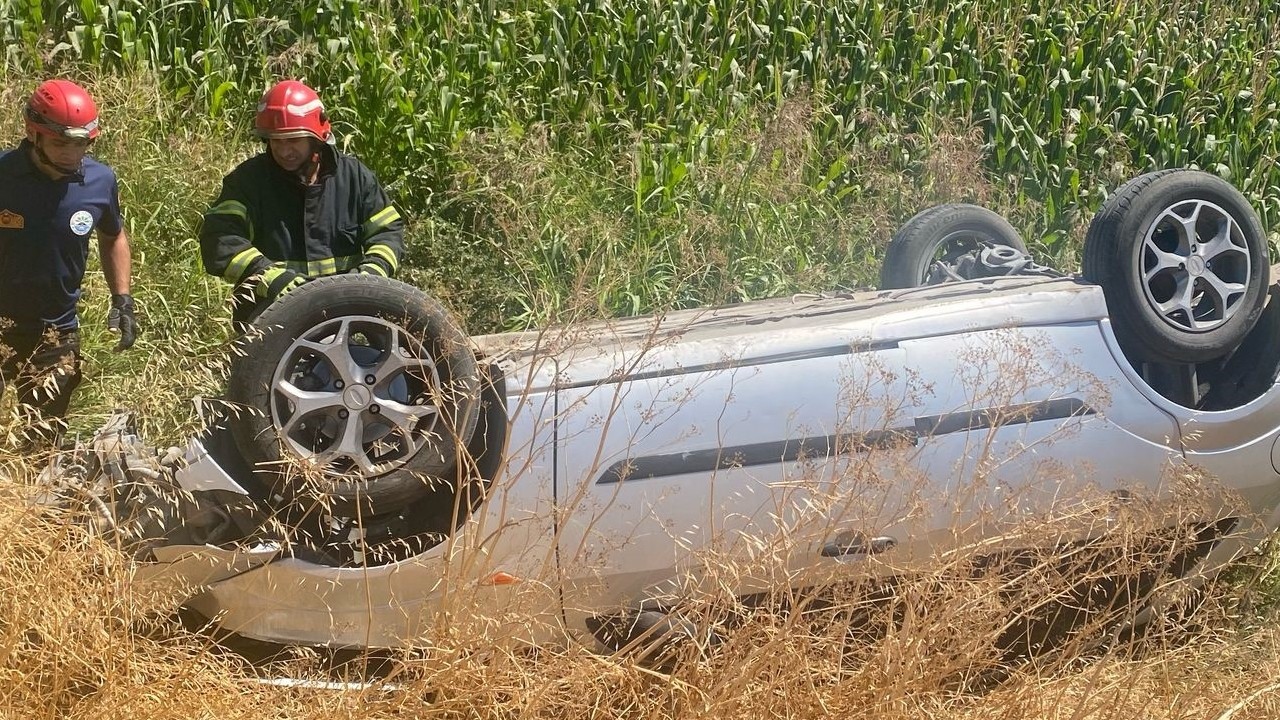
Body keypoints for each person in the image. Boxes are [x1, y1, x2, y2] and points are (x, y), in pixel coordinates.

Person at [199, 79, 405, 327]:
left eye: (293, 140)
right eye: (276, 141)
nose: (284, 151)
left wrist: (371, 274)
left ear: (317, 139)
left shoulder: (354, 178)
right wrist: (272, 278)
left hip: (348, 315)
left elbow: (388, 232)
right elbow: (220, 239)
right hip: (271, 316)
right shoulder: (249, 182)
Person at [0, 79, 137, 449]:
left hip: (57, 333)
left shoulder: (99, 181)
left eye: (82, 144)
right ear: (33, 134)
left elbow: (113, 236)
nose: (71, 154)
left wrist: (122, 299)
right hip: (1, 325)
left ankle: (34, 505)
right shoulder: (3, 175)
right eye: (61, 143)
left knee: (42, 444)